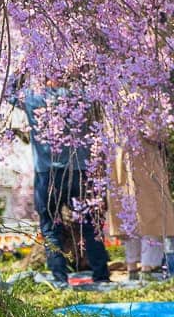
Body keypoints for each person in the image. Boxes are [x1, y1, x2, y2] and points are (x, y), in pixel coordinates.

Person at [18, 80, 109, 285]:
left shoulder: (34, 98)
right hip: (79, 170)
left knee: (50, 226)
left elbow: (9, 92)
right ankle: (101, 274)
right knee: (90, 223)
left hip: (47, 172)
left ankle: (59, 278)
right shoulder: (82, 96)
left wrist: (23, 68)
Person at [108, 131, 174, 281]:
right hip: (145, 162)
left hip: (119, 161)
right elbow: (155, 132)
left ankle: (132, 267)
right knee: (152, 215)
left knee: (129, 216)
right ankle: (147, 268)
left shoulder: (112, 108)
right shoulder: (146, 107)